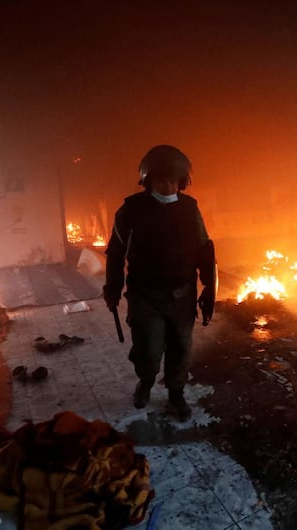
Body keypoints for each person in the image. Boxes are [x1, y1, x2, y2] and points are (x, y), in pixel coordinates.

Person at [103, 145, 216, 421]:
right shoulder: (131, 210)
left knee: (181, 347)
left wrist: (210, 289)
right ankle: (146, 382)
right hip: (145, 295)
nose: (167, 186)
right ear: (147, 181)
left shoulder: (190, 209)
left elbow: (204, 248)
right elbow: (116, 252)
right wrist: (113, 288)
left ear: (182, 182)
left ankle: (176, 393)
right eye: (161, 180)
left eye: (173, 181)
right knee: (148, 349)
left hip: (182, 293)